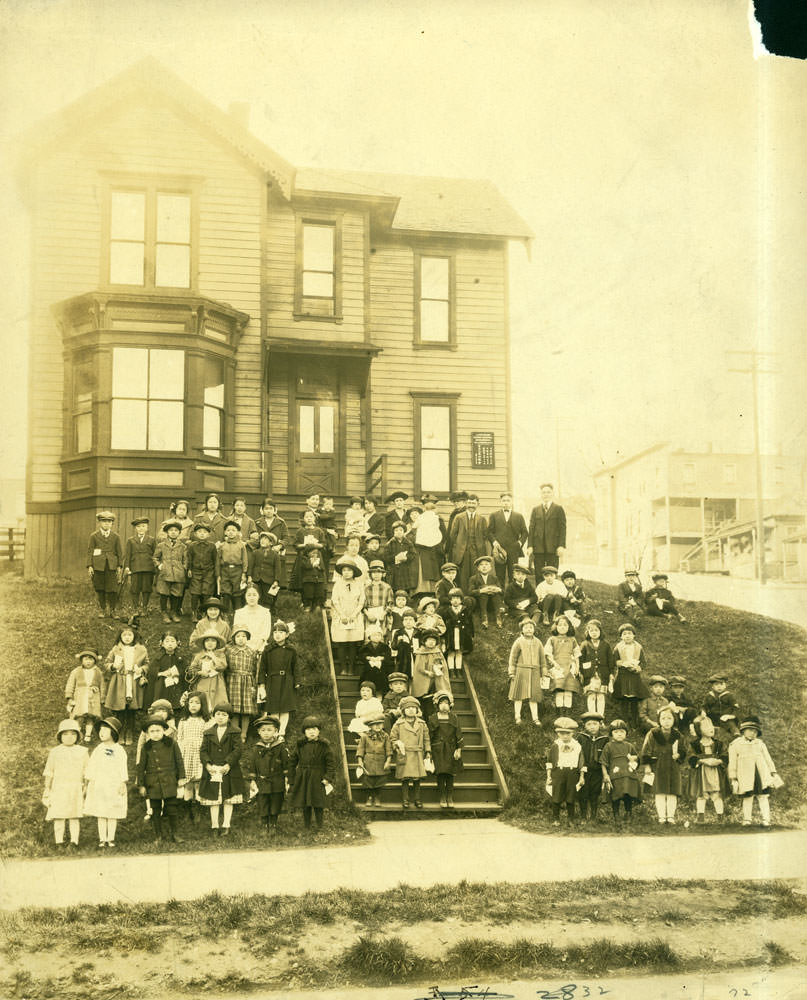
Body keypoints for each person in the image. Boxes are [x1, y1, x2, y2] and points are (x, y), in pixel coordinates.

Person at [137, 713, 186, 843]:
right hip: (153, 783)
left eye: (158, 730)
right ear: (147, 733)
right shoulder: (146, 747)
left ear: (164, 730)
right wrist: (141, 785)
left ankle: (175, 834)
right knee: (155, 809)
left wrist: (181, 777)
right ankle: (158, 836)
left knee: (172, 809)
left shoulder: (172, 743)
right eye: (151, 731)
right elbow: (141, 767)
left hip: (169, 780)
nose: (155, 734)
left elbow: (179, 760)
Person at [198, 702, 244, 836]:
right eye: (217, 714)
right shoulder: (208, 733)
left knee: (228, 798)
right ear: (214, 716)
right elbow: (203, 751)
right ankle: (214, 826)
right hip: (212, 770)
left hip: (229, 770)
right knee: (214, 799)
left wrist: (228, 764)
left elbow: (238, 750)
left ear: (229, 717)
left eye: (224, 715)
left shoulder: (235, 731)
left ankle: (226, 825)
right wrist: (207, 765)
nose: (220, 717)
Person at [728, 716, 783, 828]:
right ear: (743, 730)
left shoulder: (760, 744)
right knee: (747, 797)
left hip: (760, 774)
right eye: (750, 730)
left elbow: (768, 759)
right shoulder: (735, 744)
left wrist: (773, 772)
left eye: (755, 731)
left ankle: (766, 820)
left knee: (763, 796)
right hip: (745, 775)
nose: (753, 733)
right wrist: (733, 778)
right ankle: (747, 820)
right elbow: (732, 762)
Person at [42, 719, 89, 851]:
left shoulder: (82, 752)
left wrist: (86, 786)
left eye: (73, 734)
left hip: (75, 788)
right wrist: (47, 788)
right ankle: (59, 842)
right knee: (59, 815)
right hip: (59, 788)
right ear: (60, 736)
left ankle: (74, 842)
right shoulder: (55, 752)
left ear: (77, 736)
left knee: (74, 815)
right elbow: (49, 771)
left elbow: (87, 771)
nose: (69, 737)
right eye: (65, 734)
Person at [84, 717, 128, 849]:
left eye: (105, 730)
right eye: (100, 730)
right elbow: (91, 766)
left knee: (112, 811)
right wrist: (88, 782)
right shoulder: (98, 749)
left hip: (113, 784)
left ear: (113, 733)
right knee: (101, 811)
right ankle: (102, 839)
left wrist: (122, 782)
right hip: (100, 784)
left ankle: (111, 838)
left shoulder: (119, 750)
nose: (101, 733)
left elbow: (122, 767)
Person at [103, 618, 149, 745]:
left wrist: (142, 669)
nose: (127, 637)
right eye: (124, 635)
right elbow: (107, 663)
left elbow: (147, 664)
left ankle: (129, 732)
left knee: (131, 710)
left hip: (133, 681)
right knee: (120, 710)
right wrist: (113, 667)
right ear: (120, 637)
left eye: (130, 635)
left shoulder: (141, 649)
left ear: (134, 636)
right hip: (119, 681)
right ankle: (120, 732)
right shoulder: (116, 649)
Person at [287, 716, 336, 831]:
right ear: (304, 732)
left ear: (319, 731)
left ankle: (320, 825)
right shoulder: (300, 745)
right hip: (303, 776)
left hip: (318, 777)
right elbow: (292, 762)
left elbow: (330, 763)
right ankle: (307, 826)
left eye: (314, 728)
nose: (312, 732)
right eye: (308, 729)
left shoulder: (324, 746)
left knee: (318, 802)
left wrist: (328, 777)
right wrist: (291, 778)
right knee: (305, 802)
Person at [242, 714, 289, 832]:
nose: (266, 733)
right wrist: (252, 779)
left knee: (276, 801)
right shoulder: (256, 748)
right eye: (263, 730)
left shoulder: (280, 747)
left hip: (277, 780)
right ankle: (264, 823)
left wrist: (287, 777)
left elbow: (286, 764)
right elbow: (252, 765)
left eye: (269, 730)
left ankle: (273, 823)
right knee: (263, 802)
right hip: (262, 781)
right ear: (258, 732)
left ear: (276, 731)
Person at [642, 706, 686, 825]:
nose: (666, 721)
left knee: (672, 792)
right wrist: (647, 766)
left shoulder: (677, 735)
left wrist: (680, 755)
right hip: (658, 766)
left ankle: (670, 816)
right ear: (659, 720)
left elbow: (683, 750)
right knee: (660, 792)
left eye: (669, 718)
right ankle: (661, 816)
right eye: (663, 718)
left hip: (673, 766)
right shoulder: (653, 733)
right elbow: (646, 750)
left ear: (674, 720)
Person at [257, 620, 299, 736]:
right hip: (272, 680)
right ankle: (275, 729)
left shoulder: (291, 650)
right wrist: (262, 685)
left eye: (281, 632)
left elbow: (295, 666)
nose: (277, 634)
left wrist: (297, 681)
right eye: (275, 632)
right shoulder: (268, 650)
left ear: (287, 634)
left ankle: (282, 731)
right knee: (274, 707)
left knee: (285, 707)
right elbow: (262, 669)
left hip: (287, 680)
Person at [390, 696, 432, 809]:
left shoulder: (422, 724)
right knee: (405, 778)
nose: (411, 710)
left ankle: (417, 799)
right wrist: (397, 746)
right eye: (408, 708)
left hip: (418, 753)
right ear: (403, 710)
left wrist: (427, 751)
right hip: (405, 754)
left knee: (417, 778)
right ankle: (405, 799)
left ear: (417, 710)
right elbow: (392, 738)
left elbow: (426, 739)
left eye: (414, 707)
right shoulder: (398, 724)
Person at [600, 718, 642, 828]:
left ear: (626, 734)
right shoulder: (608, 746)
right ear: (611, 734)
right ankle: (616, 814)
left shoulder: (629, 746)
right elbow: (603, 762)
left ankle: (628, 812)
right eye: (616, 732)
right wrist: (605, 775)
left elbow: (636, 759)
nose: (619, 734)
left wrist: (634, 760)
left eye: (622, 732)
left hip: (628, 774)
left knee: (628, 793)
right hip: (616, 774)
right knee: (616, 795)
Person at [176, 691, 209, 825]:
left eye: (197, 703)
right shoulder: (184, 721)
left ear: (202, 705)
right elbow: (179, 738)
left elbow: (206, 739)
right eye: (191, 702)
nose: (193, 705)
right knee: (187, 781)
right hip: (186, 754)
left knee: (198, 780)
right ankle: (187, 808)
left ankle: (198, 808)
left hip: (199, 753)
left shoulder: (206, 721)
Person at [545, 717, 585, 827]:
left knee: (571, 796)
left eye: (568, 733)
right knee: (556, 795)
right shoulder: (555, 745)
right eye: (562, 733)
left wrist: (581, 777)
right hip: (558, 772)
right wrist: (549, 776)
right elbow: (549, 762)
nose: (565, 736)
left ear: (573, 733)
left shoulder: (577, 746)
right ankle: (556, 818)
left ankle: (570, 819)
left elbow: (581, 763)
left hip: (572, 773)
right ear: (558, 734)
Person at [507, 615, 546, 726]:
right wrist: (512, 672)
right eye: (526, 627)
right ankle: (517, 716)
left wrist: (544, 673)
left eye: (531, 627)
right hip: (521, 671)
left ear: (534, 630)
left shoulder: (538, 642)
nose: (529, 629)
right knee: (518, 695)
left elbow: (542, 659)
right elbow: (513, 658)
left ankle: (535, 718)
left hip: (535, 672)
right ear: (522, 630)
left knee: (534, 696)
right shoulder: (519, 641)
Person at [688, 716, 728, 824]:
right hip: (702, 774)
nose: (711, 728)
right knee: (701, 795)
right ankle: (700, 817)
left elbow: (725, 756)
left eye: (711, 725)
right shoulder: (695, 745)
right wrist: (704, 761)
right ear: (698, 730)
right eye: (706, 726)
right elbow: (691, 758)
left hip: (715, 773)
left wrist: (718, 761)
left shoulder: (719, 744)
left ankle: (720, 817)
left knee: (717, 794)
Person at [330, 556, 366, 675]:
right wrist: (342, 615)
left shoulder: (359, 584)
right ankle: (343, 668)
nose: (346, 573)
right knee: (342, 642)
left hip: (354, 616)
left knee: (352, 642)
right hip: (341, 616)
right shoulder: (338, 584)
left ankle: (351, 668)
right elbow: (335, 600)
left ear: (353, 572)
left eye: (349, 570)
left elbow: (361, 601)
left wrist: (354, 614)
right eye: (344, 570)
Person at [428, 691, 463, 808]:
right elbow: (429, 736)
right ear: (437, 705)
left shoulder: (454, 718)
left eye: (446, 703)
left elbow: (458, 734)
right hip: (437, 749)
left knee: (450, 774)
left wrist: (458, 750)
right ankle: (442, 796)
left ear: (450, 705)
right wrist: (428, 751)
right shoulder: (433, 718)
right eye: (441, 703)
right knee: (440, 774)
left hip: (451, 749)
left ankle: (449, 796)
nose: (444, 705)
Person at [611, 622, 650, 729]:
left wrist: (638, 668)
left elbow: (643, 662)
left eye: (629, 633)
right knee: (624, 700)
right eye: (624, 634)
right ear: (621, 636)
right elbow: (614, 660)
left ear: (634, 635)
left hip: (634, 676)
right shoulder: (618, 647)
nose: (627, 636)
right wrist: (623, 664)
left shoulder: (638, 647)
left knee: (634, 700)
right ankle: (624, 722)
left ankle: (634, 722)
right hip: (623, 675)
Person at [486, 492, 528, 588]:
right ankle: (500, 598)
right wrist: (494, 542)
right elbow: (489, 532)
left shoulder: (519, 516)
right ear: (500, 502)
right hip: (499, 550)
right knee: (499, 575)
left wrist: (520, 542)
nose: (506, 503)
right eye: (503, 501)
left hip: (513, 550)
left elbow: (525, 532)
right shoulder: (494, 515)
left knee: (513, 575)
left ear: (512, 502)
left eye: (508, 500)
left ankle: (511, 597)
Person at [86, 510, 123, 619]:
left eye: (109, 522)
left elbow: (119, 552)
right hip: (98, 566)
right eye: (104, 521)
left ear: (112, 524)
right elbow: (90, 551)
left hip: (111, 566)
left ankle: (112, 610)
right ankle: (102, 609)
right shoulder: (94, 536)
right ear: (99, 523)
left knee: (112, 588)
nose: (106, 524)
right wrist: (90, 566)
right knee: (100, 588)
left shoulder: (115, 536)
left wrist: (119, 566)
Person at [449, 494, 490, 591]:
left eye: (474, 503)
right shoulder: (459, 517)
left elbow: (485, 536)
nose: (471, 505)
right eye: (469, 503)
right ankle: (463, 597)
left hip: (477, 552)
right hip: (463, 552)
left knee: (475, 575)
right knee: (463, 576)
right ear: (466, 503)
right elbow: (453, 535)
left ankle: (475, 597)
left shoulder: (482, 519)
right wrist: (459, 546)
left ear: (478, 504)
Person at [226, 625, 259, 742]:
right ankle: (235, 732)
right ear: (234, 638)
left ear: (248, 638)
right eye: (238, 636)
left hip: (247, 681)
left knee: (246, 709)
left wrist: (254, 685)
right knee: (234, 709)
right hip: (233, 681)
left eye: (244, 636)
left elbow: (255, 669)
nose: (241, 638)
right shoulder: (229, 651)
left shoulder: (252, 652)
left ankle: (243, 734)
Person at [65, 648, 106, 744]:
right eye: (86, 659)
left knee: (90, 716)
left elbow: (102, 685)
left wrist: (102, 698)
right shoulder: (76, 671)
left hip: (93, 697)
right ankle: (77, 733)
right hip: (80, 697)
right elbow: (70, 684)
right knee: (79, 716)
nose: (88, 662)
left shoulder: (98, 672)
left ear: (95, 661)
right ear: (82, 660)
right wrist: (69, 696)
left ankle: (88, 734)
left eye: (91, 659)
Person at [544, 615, 581, 717]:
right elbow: (548, 654)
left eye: (565, 625)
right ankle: (560, 714)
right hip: (558, 668)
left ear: (569, 627)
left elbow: (576, 654)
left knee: (568, 690)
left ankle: (567, 714)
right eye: (560, 625)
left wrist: (577, 666)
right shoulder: (552, 639)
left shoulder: (572, 640)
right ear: (556, 627)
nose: (562, 627)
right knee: (559, 690)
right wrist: (554, 663)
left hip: (569, 667)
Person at [411, 494, 446, 596]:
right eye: (426, 506)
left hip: (435, 549)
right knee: (424, 569)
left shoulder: (438, 519)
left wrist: (437, 544)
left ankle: (435, 591)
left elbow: (444, 534)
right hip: (422, 549)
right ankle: (423, 592)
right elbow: (413, 532)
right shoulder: (420, 518)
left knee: (435, 569)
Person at [153, 520, 188, 624]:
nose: (173, 532)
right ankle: (164, 612)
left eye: (176, 530)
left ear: (179, 533)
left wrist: (183, 568)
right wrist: (159, 565)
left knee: (176, 594)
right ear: (167, 532)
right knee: (164, 593)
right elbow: (155, 557)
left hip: (178, 573)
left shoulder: (183, 546)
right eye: (171, 530)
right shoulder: (161, 545)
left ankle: (173, 612)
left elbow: (185, 559)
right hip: (165, 573)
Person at [355, 712, 392, 808]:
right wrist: (360, 761)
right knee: (368, 781)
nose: (377, 726)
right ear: (370, 726)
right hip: (369, 762)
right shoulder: (364, 736)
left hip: (381, 761)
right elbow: (360, 749)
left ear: (383, 725)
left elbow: (388, 750)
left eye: (380, 724)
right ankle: (369, 797)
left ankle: (377, 798)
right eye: (374, 724)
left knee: (380, 781)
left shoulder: (385, 736)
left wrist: (388, 761)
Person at [411, 628, 451, 715]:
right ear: (424, 641)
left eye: (433, 640)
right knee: (424, 695)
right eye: (429, 640)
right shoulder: (420, 652)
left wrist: (439, 668)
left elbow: (442, 664)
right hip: (425, 677)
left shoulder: (437, 652)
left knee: (436, 691)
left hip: (436, 678)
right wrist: (427, 672)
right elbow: (419, 667)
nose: (431, 642)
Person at [578, 619, 613, 718]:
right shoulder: (585, 644)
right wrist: (581, 672)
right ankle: (592, 717)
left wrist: (611, 673)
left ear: (600, 631)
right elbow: (580, 659)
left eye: (596, 630)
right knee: (592, 695)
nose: (594, 633)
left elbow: (610, 660)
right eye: (591, 630)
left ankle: (600, 717)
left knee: (601, 696)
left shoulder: (605, 645)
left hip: (603, 674)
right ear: (588, 632)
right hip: (589, 674)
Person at [527, 483, 566, 572]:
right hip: (538, 549)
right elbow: (531, 529)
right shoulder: (535, 510)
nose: (546, 494)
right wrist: (530, 546)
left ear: (552, 494)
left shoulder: (558, 509)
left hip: (553, 548)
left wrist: (561, 546)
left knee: (552, 573)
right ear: (541, 494)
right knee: (538, 574)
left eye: (548, 492)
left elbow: (562, 529)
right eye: (544, 492)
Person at [144, 630, 186, 713]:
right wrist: (162, 673)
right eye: (167, 641)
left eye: (172, 641)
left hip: (175, 683)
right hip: (161, 684)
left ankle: (175, 708)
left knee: (175, 695)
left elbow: (184, 670)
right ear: (162, 643)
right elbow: (152, 671)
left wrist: (177, 673)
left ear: (177, 643)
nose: (170, 644)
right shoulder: (158, 657)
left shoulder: (179, 658)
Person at [577, 712, 608, 823]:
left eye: (595, 724)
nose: (592, 727)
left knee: (595, 793)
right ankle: (583, 816)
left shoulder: (604, 739)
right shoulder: (580, 738)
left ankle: (594, 815)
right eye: (589, 724)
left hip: (598, 770)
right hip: (584, 770)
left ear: (600, 724)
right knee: (583, 792)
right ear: (584, 726)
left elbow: (607, 755)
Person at [187, 631, 229, 710]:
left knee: (217, 705)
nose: (210, 643)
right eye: (207, 641)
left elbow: (223, 666)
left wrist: (213, 657)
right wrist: (200, 672)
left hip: (217, 684)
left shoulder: (220, 655)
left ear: (217, 643)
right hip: (202, 683)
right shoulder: (199, 656)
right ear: (203, 643)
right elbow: (191, 670)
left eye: (213, 641)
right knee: (203, 704)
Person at [123, 517, 156, 616]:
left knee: (146, 588)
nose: (141, 528)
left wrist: (155, 567)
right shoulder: (131, 540)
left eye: (143, 526)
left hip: (148, 568)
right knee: (135, 588)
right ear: (135, 528)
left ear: (147, 528)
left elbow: (155, 554)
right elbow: (128, 555)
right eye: (138, 526)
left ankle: (145, 607)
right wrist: (127, 567)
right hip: (135, 567)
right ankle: (135, 608)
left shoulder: (151, 540)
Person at [289, 510, 327, 594]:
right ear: (303, 519)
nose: (309, 519)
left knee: (317, 578)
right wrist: (305, 545)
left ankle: (317, 602)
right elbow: (296, 545)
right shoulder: (300, 531)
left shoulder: (319, 531)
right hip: (303, 558)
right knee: (303, 579)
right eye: (307, 517)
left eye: (311, 516)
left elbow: (323, 544)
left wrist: (315, 545)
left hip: (316, 557)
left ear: (314, 518)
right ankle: (305, 602)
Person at [186, 522, 218, 620]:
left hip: (208, 572)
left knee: (206, 593)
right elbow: (189, 558)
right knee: (195, 593)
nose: (202, 534)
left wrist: (215, 573)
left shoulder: (212, 546)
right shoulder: (192, 546)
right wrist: (189, 569)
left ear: (208, 534)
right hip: (196, 572)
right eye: (199, 532)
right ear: (195, 534)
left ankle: (205, 612)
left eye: (204, 532)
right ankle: (194, 612)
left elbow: (215, 560)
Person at [217, 519, 249, 615]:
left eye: (233, 530)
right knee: (225, 592)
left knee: (237, 592)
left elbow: (245, 560)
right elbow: (218, 561)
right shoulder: (222, 545)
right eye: (228, 530)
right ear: (225, 532)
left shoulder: (241, 545)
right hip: (225, 570)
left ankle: (238, 614)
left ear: (238, 532)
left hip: (237, 570)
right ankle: (225, 614)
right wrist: (218, 574)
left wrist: (244, 573)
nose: (231, 532)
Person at [255, 498, 288, 587]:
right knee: (262, 581)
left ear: (275, 510)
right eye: (266, 508)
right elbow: (255, 539)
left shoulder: (281, 522)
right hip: (262, 556)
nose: (268, 511)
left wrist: (280, 546)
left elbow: (286, 538)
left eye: (271, 508)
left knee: (276, 581)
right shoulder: (257, 523)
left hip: (276, 555)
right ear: (262, 510)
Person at [233, 585, 273, 655]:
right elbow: (237, 632)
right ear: (245, 596)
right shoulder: (239, 613)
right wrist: (245, 649)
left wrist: (255, 649)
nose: (252, 598)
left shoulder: (265, 612)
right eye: (249, 595)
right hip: (242, 646)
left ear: (259, 596)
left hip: (260, 647)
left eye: (254, 595)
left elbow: (265, 634)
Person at [247, 532, 283, 610]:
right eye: (261, 539)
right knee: (256, 595)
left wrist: (276, 581)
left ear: (271, 543)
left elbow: (277, 569)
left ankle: (267, 612)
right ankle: (256, 612)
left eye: (266, 539)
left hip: (269, 580)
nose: (262, 541)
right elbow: (251, 565)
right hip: (256, 579)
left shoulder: (275, 555)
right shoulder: (255, 552)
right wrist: (249, 576)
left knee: (268, 597)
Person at [443, 588, 474, 675]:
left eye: (457, 598)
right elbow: (444, 624)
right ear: (450, 600)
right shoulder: (447, 611)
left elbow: (470, 624)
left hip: (461, 634)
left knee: (459, 652)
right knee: (451, 652)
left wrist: (471, 634)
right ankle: (451, 670)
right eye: (453, 599)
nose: (455, 601)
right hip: (451, 634)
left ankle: (459, 670)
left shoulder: (465, 610)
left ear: (461, 600)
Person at [468, 554, 503, 629]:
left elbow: (502, 591)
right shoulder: (473, 578)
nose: (484, 567)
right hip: (480, 603)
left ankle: (498, 616)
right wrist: (481, 591)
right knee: (484, 593)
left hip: (492, 603)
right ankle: (484, 618)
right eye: (481, 565)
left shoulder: (494, 578)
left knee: (496, 593)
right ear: (478, 568)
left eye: (486, 565)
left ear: (490, 568)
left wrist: (497, 589)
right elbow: (470, 592)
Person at [384, 520, 418, 595]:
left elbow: (413, 554)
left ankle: (405, 601)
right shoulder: (390, 544)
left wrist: (407, 558)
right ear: (393, 532)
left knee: (405, 589)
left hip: (405, 569)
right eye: (396, 530)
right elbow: (386, 557)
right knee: (394, 588)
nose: (399, 532)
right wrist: (395, 558)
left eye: (401, 530)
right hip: (394, 570)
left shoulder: (408, 543)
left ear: (404, 531)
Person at [357, 625, 394, 696]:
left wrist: (382, 658)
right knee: (369, 680)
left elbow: (388, 655)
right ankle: (369, 694)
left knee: (381, 683)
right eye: (374, 635)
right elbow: (361, 655)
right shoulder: (366, 647)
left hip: (381, 669)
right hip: (369, 669)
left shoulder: (384, 646)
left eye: (378, 635)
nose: (376, 637)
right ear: (369, 637)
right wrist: (368, 658)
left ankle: (379, 695)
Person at [702, 672, 740, 740]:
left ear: (725, 685)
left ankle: (735, 733)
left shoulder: (729, 695)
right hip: (713, 717)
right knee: (706, 724)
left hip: (725, 717)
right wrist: (703, 712)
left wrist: (731, 716)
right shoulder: (709, 696)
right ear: (712, 687)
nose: (719, 686)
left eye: (721, 684)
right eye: (716, 684)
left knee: (730, 724)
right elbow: (704, 706)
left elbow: (735, 708)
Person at [364, 559, 394, 632]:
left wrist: (383, 614)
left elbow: (391, 604)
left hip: (382, 615)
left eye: (379, 572)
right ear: (370, 574)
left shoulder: (387, 587)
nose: (376, 574)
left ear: (383, 574)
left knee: (382, 635)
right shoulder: (366, 588)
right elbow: (363, 605)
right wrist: (368, 614)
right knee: (369, 635)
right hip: (370, 616)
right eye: (374, 572)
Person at [390, 608, 419, 679]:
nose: (408, 622)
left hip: (416, 657)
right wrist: (399, 641)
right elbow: (394, 646)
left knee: (416, 676)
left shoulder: (419, 632)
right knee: (403, 676)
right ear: (402, 621)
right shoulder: (399, 632)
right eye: (405, 619)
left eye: (410, 619)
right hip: (403, 658)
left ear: (415, 621)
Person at [300, 543, 327, 613]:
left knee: (318, 593)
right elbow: (305, 566)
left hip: (318, 580)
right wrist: (311, 564)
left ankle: (317, 605)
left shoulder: (319, 559)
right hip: (308, 580)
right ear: (307, 553)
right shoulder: (304, 559)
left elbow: (322, 568)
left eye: (316, 553)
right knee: (308, 593)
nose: (315, 555)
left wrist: (319, 566)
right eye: (313, 553)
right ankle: (307, 606)